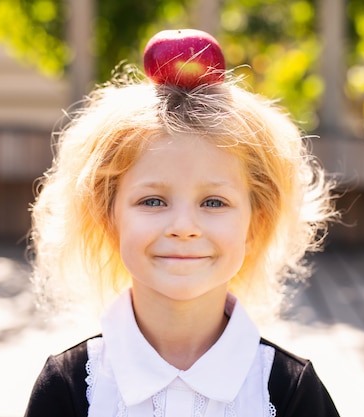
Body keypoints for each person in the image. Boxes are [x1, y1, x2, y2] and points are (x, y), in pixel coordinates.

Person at [24, 58, 340, 417]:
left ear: (256, 223)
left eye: (214, 202)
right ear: (107, 217)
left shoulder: (290, 392)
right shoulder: (68, 388)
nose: (184, 226)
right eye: (153, 200)